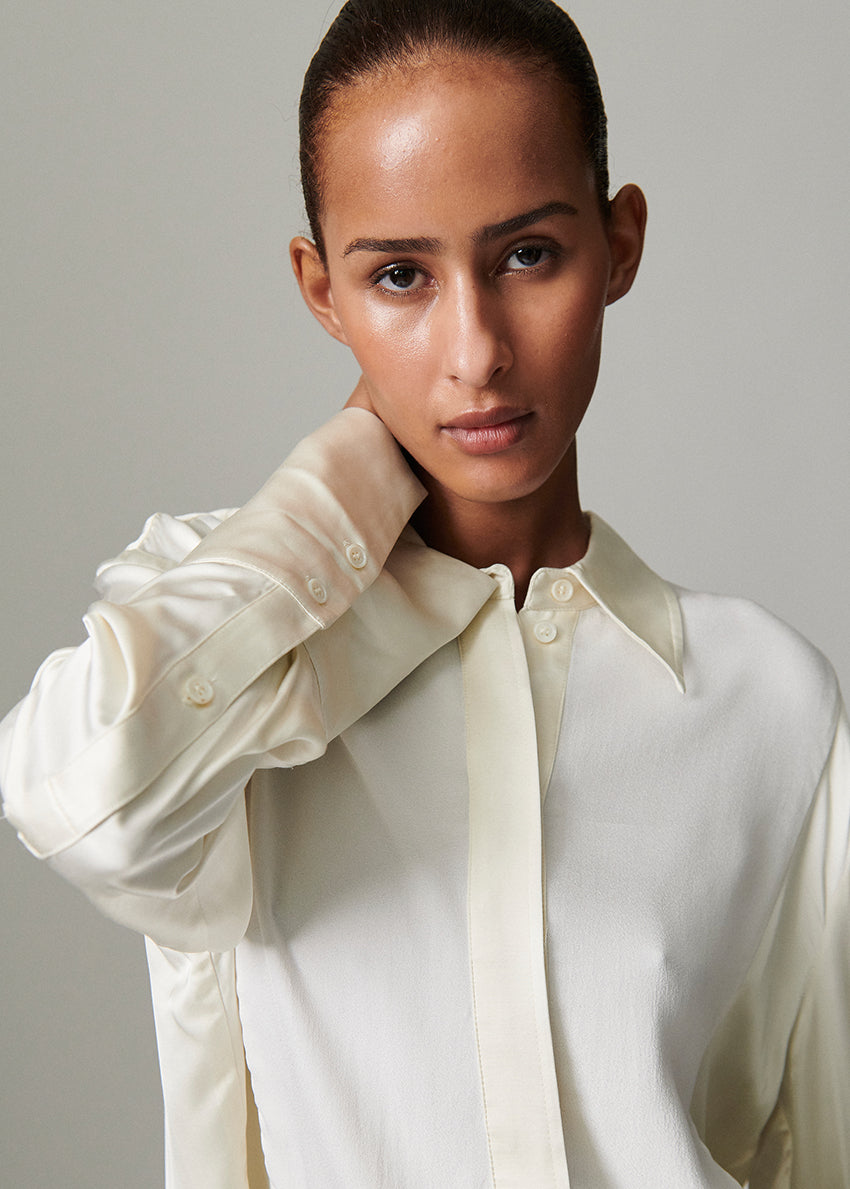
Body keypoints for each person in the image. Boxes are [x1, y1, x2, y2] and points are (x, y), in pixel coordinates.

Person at [1, 0, 848, 1185]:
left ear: (620, 245)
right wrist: (338, 493)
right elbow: (80, 799)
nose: (476, 349)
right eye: (400, 275)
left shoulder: (773, 707)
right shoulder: (226, 640)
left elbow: (812, 1146)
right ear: (320, 289)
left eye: (527, 255)